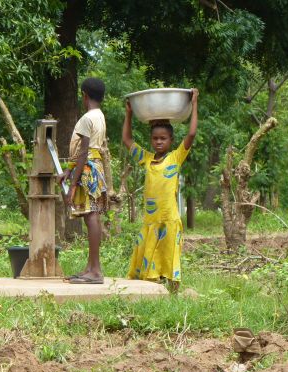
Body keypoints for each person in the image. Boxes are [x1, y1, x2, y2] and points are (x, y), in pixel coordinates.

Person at [122, 88, 199, 287]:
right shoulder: (146, 159)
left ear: (171, 141)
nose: (158, 142)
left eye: (163, 138)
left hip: (169, 219)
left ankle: (172, 290)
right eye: (155, 138)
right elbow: (127, 140)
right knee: (149, 254)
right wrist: (129, 114)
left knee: (169, 255)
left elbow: (191, 133)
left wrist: (194, 103)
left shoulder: (175, 157)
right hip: (151, 220)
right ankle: (151, 287)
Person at [60, 78, 108, 284]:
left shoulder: (86, 118)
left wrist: (72, 183)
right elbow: (86, 151)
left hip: (87, 170)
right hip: (94, 167)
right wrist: (68, 170)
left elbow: (83, 151)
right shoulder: (100, 116)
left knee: (91, 216)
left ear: (85, 95)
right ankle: (90, 268)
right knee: (92, 214)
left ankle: (95, 270)